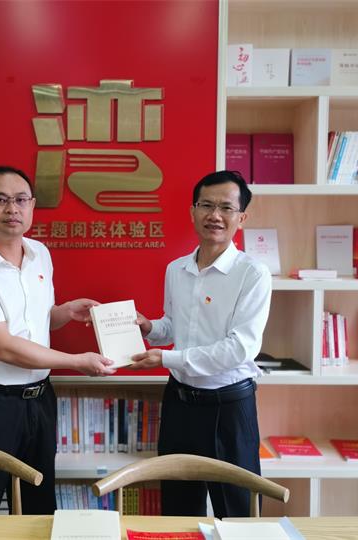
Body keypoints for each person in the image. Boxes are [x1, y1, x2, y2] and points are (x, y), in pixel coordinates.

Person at [0, 165, 115, 515]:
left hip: (39, 400)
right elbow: (2, 346)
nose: (12, 209)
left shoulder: (40, 253)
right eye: (0, 200)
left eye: (21, 200)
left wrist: (64, 312)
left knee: (39, 504)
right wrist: (76, 361)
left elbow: (33, 322)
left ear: (32, 205)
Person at [131, 170, 271, 519]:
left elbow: (239, 349)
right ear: (193, 211)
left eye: (226, 207)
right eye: (206, 205)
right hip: (179, 404)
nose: (215, 215)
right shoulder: (176, 269)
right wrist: (149, 327)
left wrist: (166, 359)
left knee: (237, 510)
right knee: (178, 508)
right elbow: (174, 327)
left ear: (241, 217)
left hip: (228, 407)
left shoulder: (253, 273)